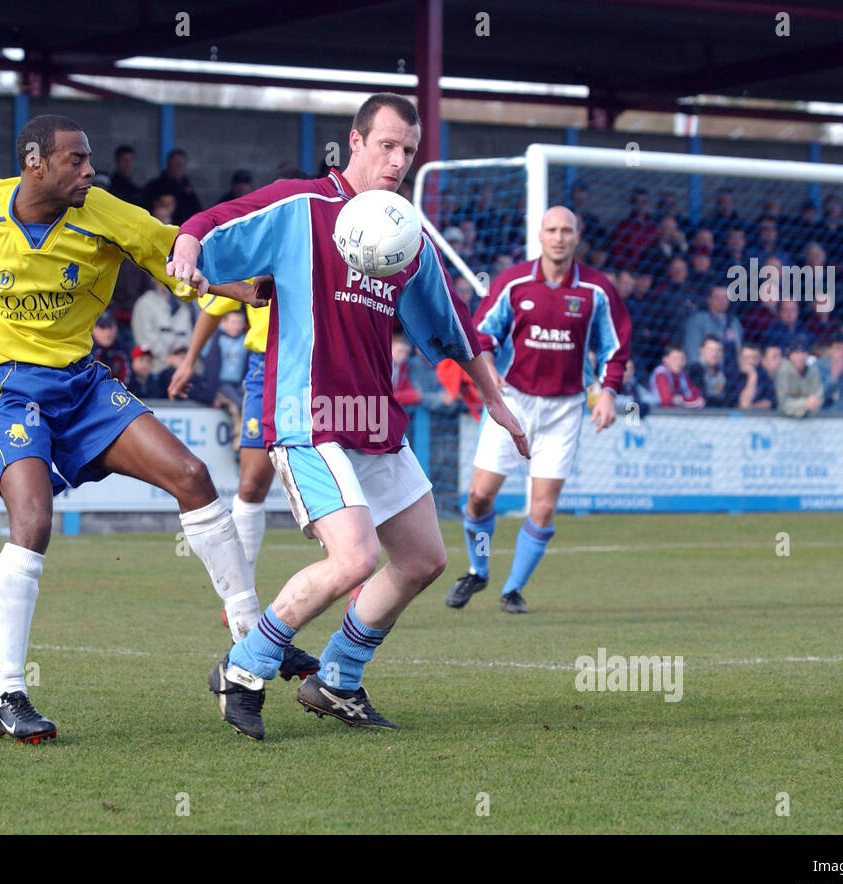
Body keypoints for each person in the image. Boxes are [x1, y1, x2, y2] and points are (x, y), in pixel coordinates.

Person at [0, 113, 293, 744]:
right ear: (35, 163)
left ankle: (250, 638)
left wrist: (244, 288)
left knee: (193, 476)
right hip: (4, 385)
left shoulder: (106, 214)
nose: (90, 170)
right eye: (76, 160)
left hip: (80, 382)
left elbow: (178, 255)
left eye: (90, 159)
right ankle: (8, 692)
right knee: (32, 521)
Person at [168, 92, 528, 739]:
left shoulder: (403, 233)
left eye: (409, 151)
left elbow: (451, 325)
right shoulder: (303, 208)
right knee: (355, 557)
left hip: (372, 421)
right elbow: (217, 222)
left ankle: (336, 679)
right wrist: (190, 244)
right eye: (386, 145)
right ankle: (243, 668)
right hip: (308, 419)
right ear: (355, 142)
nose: (397, 161)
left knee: (422, 559)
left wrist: (496, 399)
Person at [445, 204, 630, 614]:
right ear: (540, 236)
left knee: (543, 506)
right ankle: (478, 570)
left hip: (564, 408)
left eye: (567, 230)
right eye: (552, 230)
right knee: (478, 496)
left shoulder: (597, 291)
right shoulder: (513, 284)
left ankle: (512, 590)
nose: (559, 237)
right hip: (514, 404)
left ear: (576, 237)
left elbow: (615, 348)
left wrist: (610, 393)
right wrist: (489, 367)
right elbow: (481, 333)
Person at [168, 283, 279, 636]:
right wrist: (188, 363)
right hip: (265, 368)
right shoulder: (252, 241)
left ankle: (357, 577)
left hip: (316, 369)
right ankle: (240, 596)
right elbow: (213, 307)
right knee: (251, 484)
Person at [773, 339, 824, 418]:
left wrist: (815, 402)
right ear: (789, 354)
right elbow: (782, 404)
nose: (800, 357)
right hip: (783, 420)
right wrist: (805, 404)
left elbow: (819, 395)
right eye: (796, 352)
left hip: (810, 419)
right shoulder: (783, 370)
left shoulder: (812, 369)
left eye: (803, 352)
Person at [728, 343, 776, 410]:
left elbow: (769, 402)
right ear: (740, 358)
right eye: (747, 357)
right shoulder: (732, 373)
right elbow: (744, 404)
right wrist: (752, 375)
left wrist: (752, 407)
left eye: (755, 357)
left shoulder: (762, 373)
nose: (751, 361)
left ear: (759, 359)